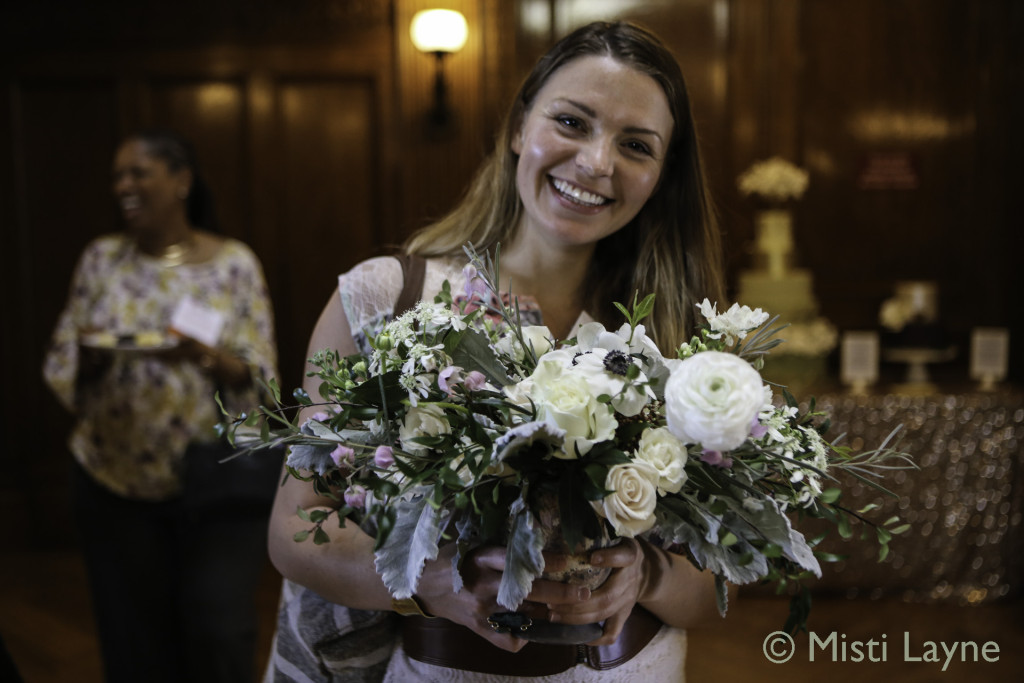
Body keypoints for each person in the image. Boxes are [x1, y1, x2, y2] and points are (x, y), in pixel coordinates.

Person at [264, 21, 728, 682]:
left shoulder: (683, 337)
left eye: (636, 144)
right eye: (572, 122)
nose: (597, 162)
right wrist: (430, 578)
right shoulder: (387, 297)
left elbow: (726, 588)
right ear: (518, 128)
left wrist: (647, 574)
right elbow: (295, 530)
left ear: (661, 175)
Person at [42, 129, 279, 683]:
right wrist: (93, 358)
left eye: (137, 173)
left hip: (216, 479)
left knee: (220, 632)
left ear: (181, 181)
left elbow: (264, 373)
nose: (123, 185)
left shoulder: (234, 265)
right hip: (114, 477)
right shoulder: (101, 260)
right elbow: (63, 360)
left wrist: (208, 358)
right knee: (134, 641)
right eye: (117, 176)